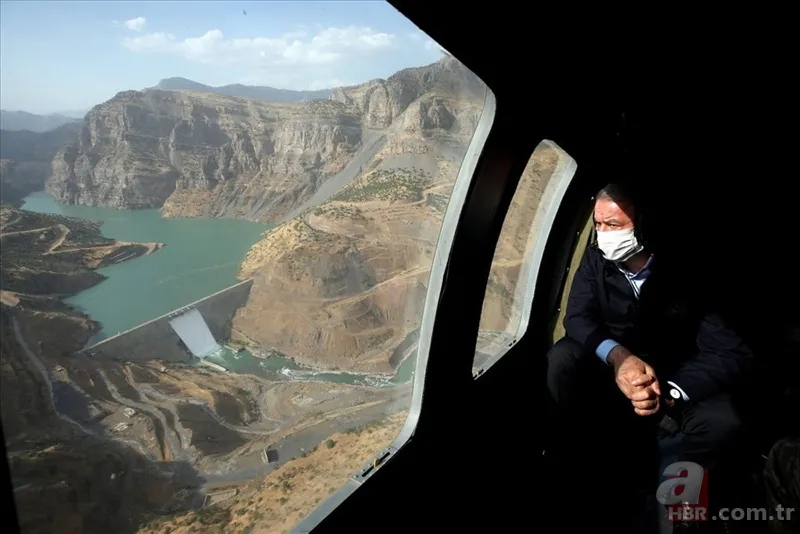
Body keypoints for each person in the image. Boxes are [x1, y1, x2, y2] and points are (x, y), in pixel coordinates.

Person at [545, 183, 755, 517]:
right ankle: (572, 465)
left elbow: (730, 352)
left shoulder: (691, 270)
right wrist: (618, 357)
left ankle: (683, 507)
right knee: (562, 358)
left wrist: (669, 394)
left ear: (643, 225)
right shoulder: (596, 259)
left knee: (724, 419)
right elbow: (577, 318)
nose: (603, 235)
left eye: (613, 225)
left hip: (676, 374)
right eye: (598, 224)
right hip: (616, 372)